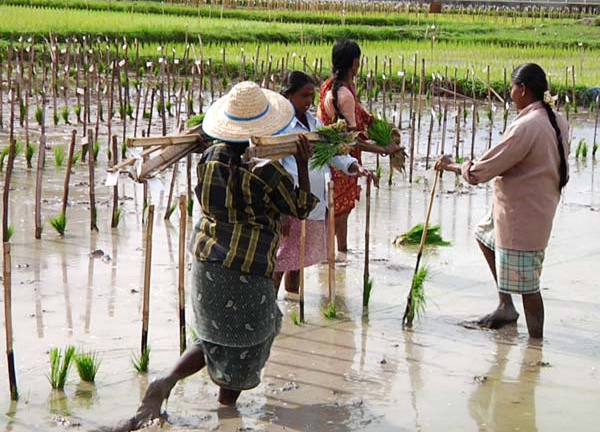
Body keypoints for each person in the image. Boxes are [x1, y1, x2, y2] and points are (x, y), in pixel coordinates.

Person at [113, 81, 318, 431]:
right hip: (247, 268)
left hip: (208, 263)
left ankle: (166, 381)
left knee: (213, 337)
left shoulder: (210, 159)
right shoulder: (267, 172)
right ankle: (227, 412)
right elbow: (300, 207)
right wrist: (301, 163)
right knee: (248, 340)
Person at [435, 63, 569, 339]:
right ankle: (505, 306)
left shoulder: (527, 126)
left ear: (522, 90)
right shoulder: (555, 119)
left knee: (529, 286)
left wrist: (453, 167)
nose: (510, 92)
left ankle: (535, 346)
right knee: (484, 235)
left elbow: (483, 169)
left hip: (523, 215)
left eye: (512, 87)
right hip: (528, 206)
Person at [274, 70, 374, 298]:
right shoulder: (279, 127)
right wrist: (280, 212)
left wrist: (355, 168)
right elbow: (272, 168)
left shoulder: (313, 124)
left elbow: (335, 154)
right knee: (281, 259)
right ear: (289, 95)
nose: (309, 101)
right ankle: (271, 307)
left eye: (311, 96)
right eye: (304, 96)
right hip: (289, 204)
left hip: (313, 204)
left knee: (297, 259)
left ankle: (291, 301)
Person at [317, 39, 400, 260]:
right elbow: (352, 140)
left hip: (335, 157)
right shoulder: (343, 95)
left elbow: (359, 116)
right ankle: (329, 259)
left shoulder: (331, 86)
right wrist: (383, 147)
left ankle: (340, 254)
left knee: (339, 210)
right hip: (343, 159)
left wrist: (381, 128)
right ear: (355, 63)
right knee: (337, 211)